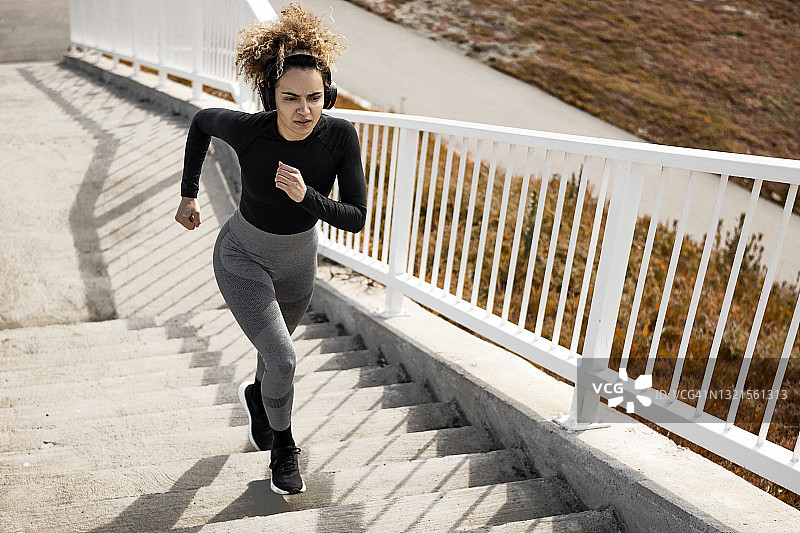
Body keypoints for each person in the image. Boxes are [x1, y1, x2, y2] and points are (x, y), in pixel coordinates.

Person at [174, 4, 366, 495]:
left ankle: (261, 400)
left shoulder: (340, 137)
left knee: (271, 359)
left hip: (299, 266)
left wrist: (308, 197)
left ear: (329, 95)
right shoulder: (250, 131)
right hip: (243, 256)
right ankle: (283, 449)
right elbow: (200, 122)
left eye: (315, 98)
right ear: (270, 98)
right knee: (282, 358)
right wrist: (189, 194)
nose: (305, 110)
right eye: (291, 98)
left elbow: (357, 219)